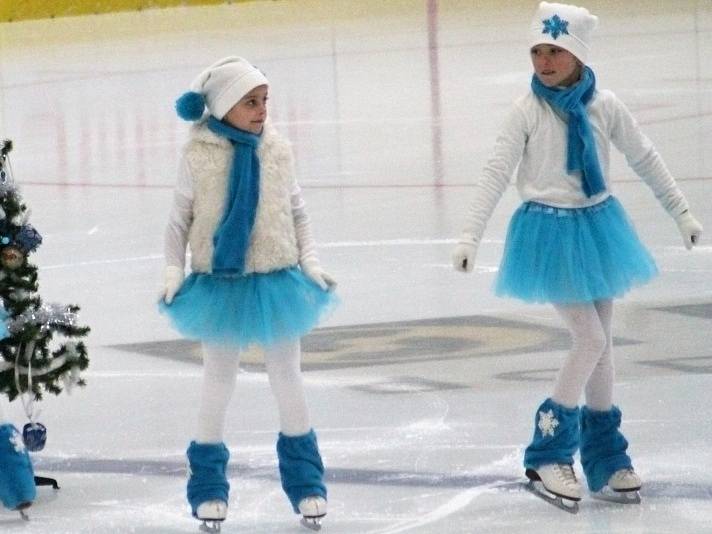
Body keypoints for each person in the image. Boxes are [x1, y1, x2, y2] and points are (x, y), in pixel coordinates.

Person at [452, 1, 703, 512]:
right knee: (588, 338)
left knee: (604, 344)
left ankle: (605, 456)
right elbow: (495, 173)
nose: (544, 61)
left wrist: (681, 212)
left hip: (597, 225)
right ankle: (547, 451)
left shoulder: (603, 105)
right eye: (538, 51)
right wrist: (469, 238)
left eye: (556, 51)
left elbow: (644, 156)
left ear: (578, 55)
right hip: (549, 233)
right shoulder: (526, 110)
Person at [159, 56, 337, 531]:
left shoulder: (277, 151)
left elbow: (298, 212)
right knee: (218, 379)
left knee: (288, 376)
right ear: (220, 107)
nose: (261, 111)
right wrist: (173, 269)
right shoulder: (198, 156)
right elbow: (179, 221)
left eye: (264, 101)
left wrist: (311, 262)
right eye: (249, 103)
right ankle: (208, 487)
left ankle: (307, 484)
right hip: (222, 283)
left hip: (278, 279)